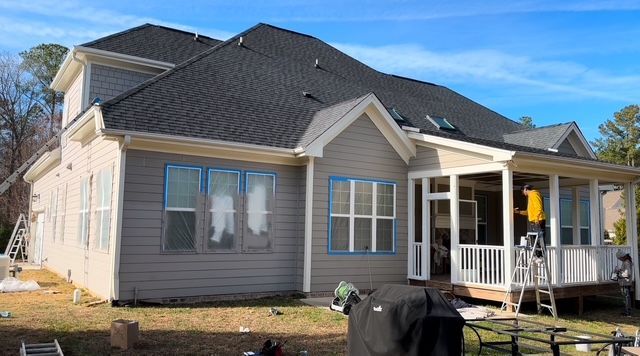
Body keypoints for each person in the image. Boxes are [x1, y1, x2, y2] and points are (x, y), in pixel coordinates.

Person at [614, 249, 634, 316]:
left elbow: (628, 274)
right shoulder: (626, 262)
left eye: (619, 258)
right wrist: (619, 270)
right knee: (626, 297)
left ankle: (628, 312)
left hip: (625, 282)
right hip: (624, 282)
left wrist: (619, 275)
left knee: (626, 297)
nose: (619, 259)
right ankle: (627, 311)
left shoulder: (626, 262)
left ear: (622, 257)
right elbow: (624, 271)